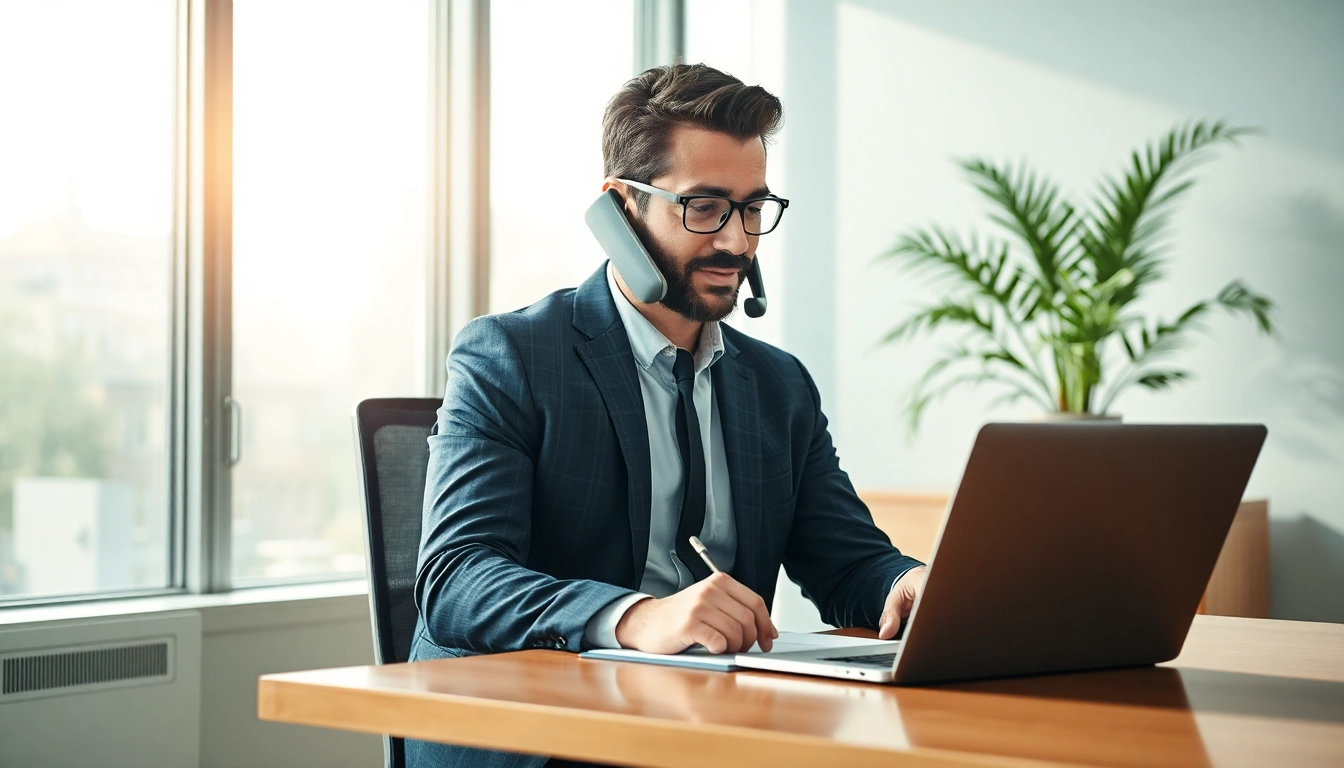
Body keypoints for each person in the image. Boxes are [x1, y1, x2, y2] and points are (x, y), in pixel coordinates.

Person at [407, 63, 928, 768]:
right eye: (705, 207)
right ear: (621, 208)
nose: (738, 242)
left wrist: (909, 584)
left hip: (708, 733)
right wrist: (635, 618)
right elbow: (458, 577)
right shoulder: (514, 356)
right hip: (540, 738)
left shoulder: (779, 386)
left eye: (752, 209)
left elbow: (846, 563)